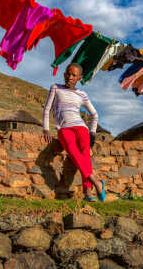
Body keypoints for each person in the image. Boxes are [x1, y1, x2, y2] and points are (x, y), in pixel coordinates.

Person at [43, 63, 106, 202]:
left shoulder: (82, 94)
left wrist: (93, 133)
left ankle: (88, 192)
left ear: (79, 78)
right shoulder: (55, 87)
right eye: (67, 73)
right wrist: (46, 129)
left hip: (81, 128)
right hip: (64, 129)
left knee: (85, 157)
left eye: (73, 75)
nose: (69, 77)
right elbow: (47, 110)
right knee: (73, 152)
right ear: (64, 74)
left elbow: (95, 115)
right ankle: (96, 182)